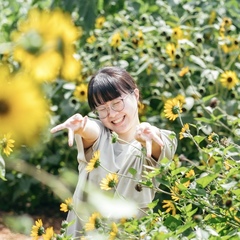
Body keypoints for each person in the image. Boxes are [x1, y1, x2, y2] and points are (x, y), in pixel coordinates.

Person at [51, 66, 177, 237]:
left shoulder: (153, 143)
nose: (112, 114)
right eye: (102, 109)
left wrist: (147, 133)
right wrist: (80, 126)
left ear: (136, 95)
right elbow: (90, 129)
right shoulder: (100, 136)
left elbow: (159, 147)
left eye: (117, 103)